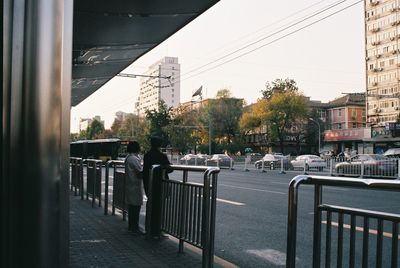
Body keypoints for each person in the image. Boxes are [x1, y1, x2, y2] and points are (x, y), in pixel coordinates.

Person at [143, 136, 172, 238]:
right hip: (160, 183)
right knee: (159, 207)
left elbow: (145, 170)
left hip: (149, 183)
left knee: (150, 205)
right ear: (160, 145)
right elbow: (169, 169)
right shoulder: (161, 156)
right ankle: (157, 230)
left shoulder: (146, 155)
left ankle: (148, 228)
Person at [124, 141, 143, 234]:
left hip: (130, 185)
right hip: (134, 185)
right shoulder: (133, 159)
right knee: (135, 207)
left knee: (132, 207)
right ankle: (134, 228)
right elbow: (139, 173)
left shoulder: (128, 157)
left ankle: (131, 227)